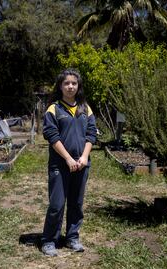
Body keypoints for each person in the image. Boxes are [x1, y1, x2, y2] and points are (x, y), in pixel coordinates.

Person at [41, 69, 97, 257]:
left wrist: (83, 158)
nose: (70, 86)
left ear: (78, 86)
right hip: (60, 164)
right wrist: (67, 158)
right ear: (60, 86)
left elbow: (91, 135)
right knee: (57, 204)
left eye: (74, 83)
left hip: (81, 165)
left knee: (76, 203)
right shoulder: (53, 109)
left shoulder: (85, 109)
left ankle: (72, 237)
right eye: (66, 83)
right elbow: (51, 135)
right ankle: (49, 240)